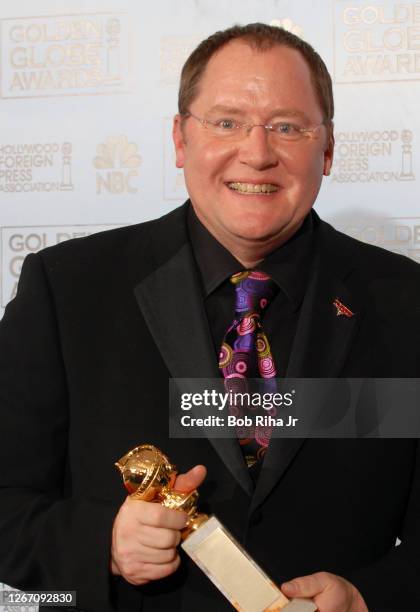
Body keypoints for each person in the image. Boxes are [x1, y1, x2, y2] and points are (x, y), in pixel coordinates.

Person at [0, 22, 419, 612]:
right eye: (226, 122)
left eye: (287, 126)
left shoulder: (406, 303)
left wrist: (370, 597)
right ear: (180, 139)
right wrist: (103, 544)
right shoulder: (67, 289)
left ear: (326, 147)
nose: (257, 152)